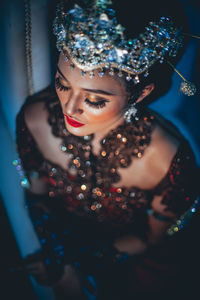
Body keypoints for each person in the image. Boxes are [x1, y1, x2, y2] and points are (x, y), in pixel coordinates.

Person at [15, 0, 200, 299]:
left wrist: (73, 263)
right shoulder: (36, 116)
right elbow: (35, 192)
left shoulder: (167, 158)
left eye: (95, 100)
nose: (70, 107)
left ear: (141, 93)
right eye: (62, 84)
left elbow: (149, 239)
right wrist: (54, 256)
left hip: (137, 270)